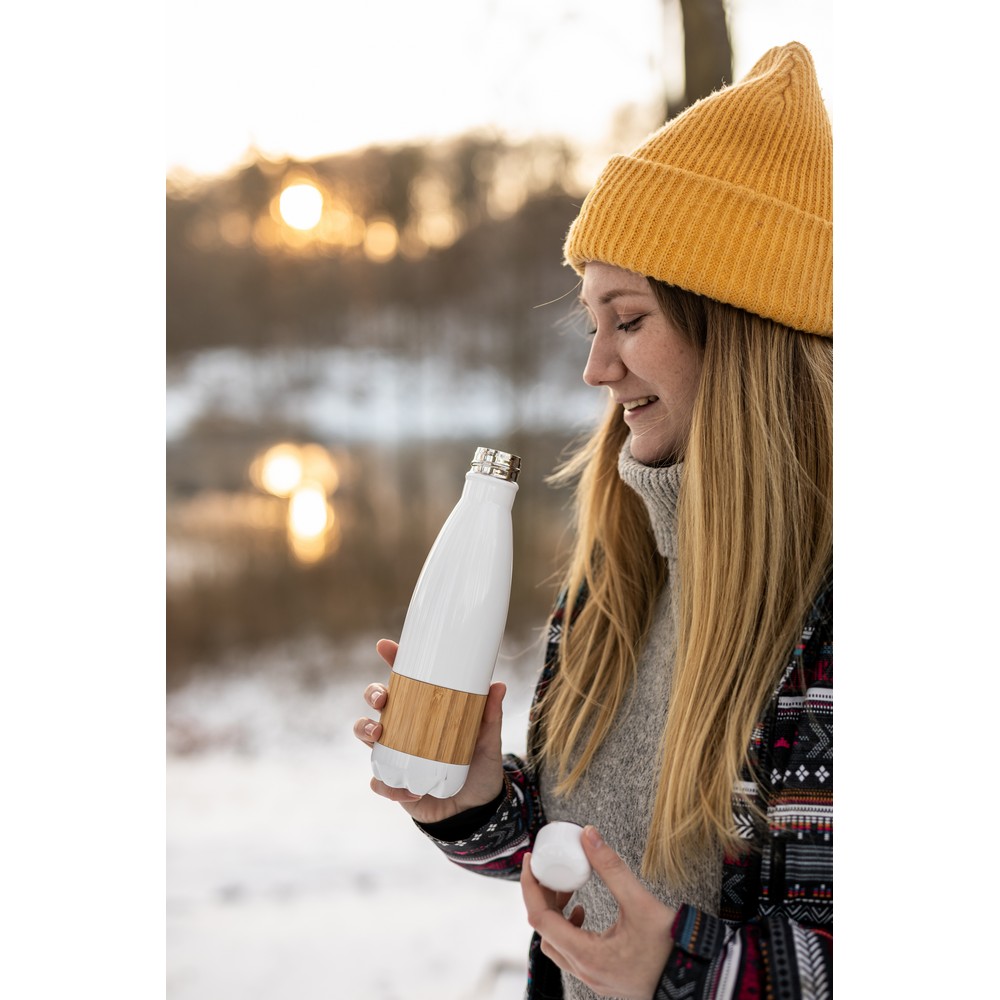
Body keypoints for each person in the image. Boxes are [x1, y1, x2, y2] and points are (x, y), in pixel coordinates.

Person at [354, 40, 832, 1000]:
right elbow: (595, 867)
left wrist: (683, 968)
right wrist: (482, 805)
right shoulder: (621, 569)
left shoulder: (835, 613)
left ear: (741, 327)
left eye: (630, 318)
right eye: (591, 322)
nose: (595, 368)